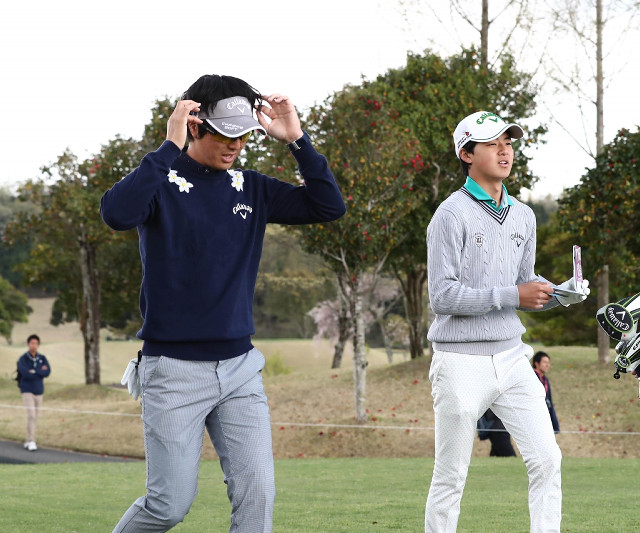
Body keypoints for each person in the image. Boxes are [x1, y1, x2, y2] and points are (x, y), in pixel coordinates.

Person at [100, 74, 345, 533]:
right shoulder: (161, 181)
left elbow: (328, 206)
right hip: (172, 370)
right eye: (226, 134)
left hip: (239, 369)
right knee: (168, 505)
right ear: (195, 126)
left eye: (244, 135)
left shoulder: (251, 188)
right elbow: (116, 213)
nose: (235, 145)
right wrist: (167, 147)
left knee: (258, 499)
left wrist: (297, 140)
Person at [424, 110, 590, 533]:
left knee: (547, 459)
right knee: (451, 476)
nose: (504, 150)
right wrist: (515, 294)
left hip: (514, 357)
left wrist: (560, 294)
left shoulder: (524, 215)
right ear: (466, 153)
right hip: (460, 360)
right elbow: (443, 296)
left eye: (509, 142)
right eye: (492, 142)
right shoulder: (449, 214)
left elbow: (523, 286)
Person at [17, 334, 51, 451]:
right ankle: (31, 441)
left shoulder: (42, 358)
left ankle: (27, 439)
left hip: (39, 390)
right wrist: (39, 371)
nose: (34, 345)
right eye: (32, 343)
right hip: (27, 390)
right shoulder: (23, 359)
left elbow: (47, 372)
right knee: (31, 414)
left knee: (34, 417)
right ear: (28, 344)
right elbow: (25, 373)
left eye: (36, 343)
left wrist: (34, 371)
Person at [532, 351, 560, 432]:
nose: (547, 365)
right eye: (544, 362)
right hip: (534, 418)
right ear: (536, 363)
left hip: (543, 417)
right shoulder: (532, 378)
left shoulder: (545, 379)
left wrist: (555, 424)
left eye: (548, 362)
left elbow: (549, 401)